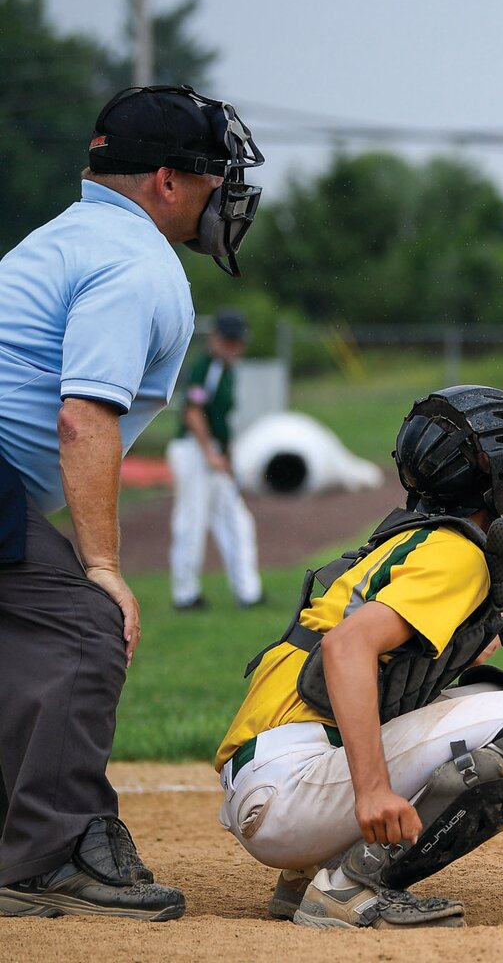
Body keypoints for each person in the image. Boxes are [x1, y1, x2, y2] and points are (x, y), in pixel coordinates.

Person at [0, 84, 264, 921]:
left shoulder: (66, 236)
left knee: (25, 630)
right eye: (216, 176)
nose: (227, 192)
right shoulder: (136, 263)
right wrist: (104, 566)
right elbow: (84, 416)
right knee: (84, 623)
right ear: (165, 181)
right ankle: (50, 854)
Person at [215, 387, 503, 929]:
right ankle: (349, 886)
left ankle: (311, 873)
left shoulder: (421, 540)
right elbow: (347, 646)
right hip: (292, 789)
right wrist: (372, 791)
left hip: (278, 778)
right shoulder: (459, 554)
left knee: (487, 695)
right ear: (499, 479)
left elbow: (467, 646)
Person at [168, 307, 262, 610]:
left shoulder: (228, 370)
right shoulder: (205, 366)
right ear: (216, 338)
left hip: (215, 453)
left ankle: (248, 592)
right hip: (194, 450)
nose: (234, 347)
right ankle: (186, 594)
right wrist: (209, 452)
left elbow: (222, 419)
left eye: (238, 341)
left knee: (237, 519)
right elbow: (193, 412)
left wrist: (226, 455)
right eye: (229, 340)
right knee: (191, 520)